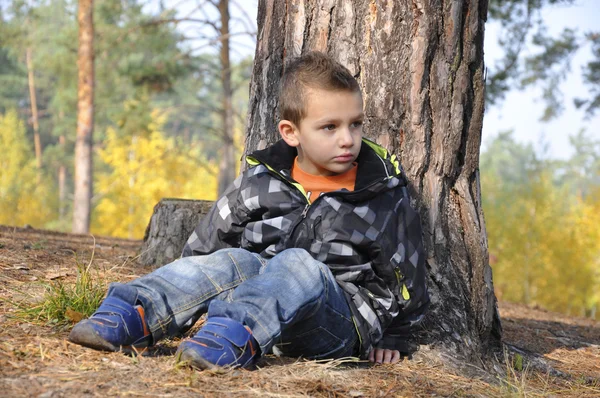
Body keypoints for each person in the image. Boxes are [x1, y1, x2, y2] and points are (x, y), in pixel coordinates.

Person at [69, 51, 429, 369]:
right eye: (330, 127)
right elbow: (205, 248)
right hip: (250, 304)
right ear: (291, 132)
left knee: (296, 262)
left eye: (355, 124)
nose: (348, 139)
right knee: (234, 260)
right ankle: (134, 312)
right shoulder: (260, 181)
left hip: (333, 322)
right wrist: (194, 294)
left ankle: (232, 338)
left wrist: (395, 337)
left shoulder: (380, 192)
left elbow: (404, 278)